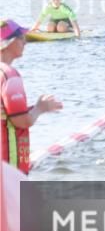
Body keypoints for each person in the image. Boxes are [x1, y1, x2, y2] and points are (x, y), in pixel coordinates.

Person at [1, 20, 63, 174]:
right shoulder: (9, 76)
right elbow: (22, 121)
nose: (25, 42)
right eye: (22, 37)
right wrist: (40, 108)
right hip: (9, 166)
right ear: (9, 42)